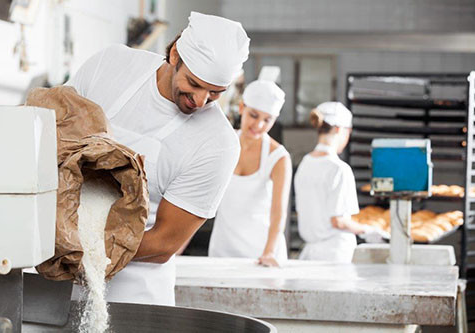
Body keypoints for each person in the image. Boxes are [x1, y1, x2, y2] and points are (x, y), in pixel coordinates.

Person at [67, 12, 250, 305]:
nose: (201, 101)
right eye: (194, 83)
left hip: (134, 289)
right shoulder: (111, 65)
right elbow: (55, 133)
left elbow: (166, 242)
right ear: (175, 53)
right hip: (54, 276)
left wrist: (83, 251)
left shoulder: (218, 143)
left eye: (215, 93)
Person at [208, 80, 292, 267]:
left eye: (267, 120)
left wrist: (269, 253)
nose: (259, 125)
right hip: (222, 250)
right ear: (241, 108)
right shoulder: (223, 144)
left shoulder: (278, 157)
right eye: (253, 115)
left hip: (261, 253)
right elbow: (200, 199)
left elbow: (278, 212)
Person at [294, 102, 386, 263]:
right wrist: (367, 231)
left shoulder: (305, 164)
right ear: (339, 130)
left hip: (310, 255)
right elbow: (339, 221)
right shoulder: (339, 169)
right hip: (334, 256)